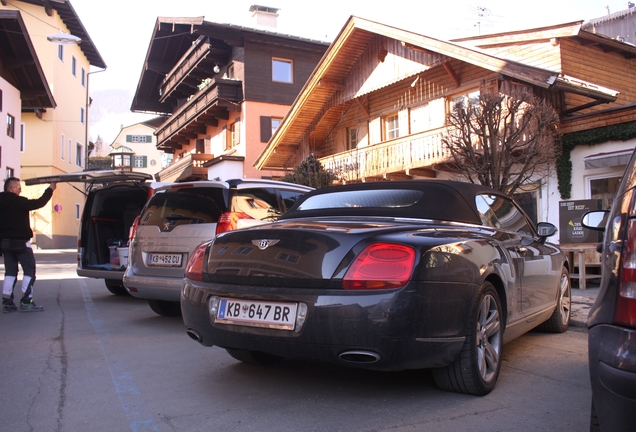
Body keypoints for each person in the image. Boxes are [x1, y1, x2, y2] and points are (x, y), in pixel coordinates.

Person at [0, 177, 56, 313]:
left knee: (10, 273)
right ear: (12, 188)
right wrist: (50, 189)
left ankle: (7, 303)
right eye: (18, 187)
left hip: (5, 243)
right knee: (29, 270)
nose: (20, 189)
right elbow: (39, 203)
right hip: (20, 242)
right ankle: (26, 302)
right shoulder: (19, 201)